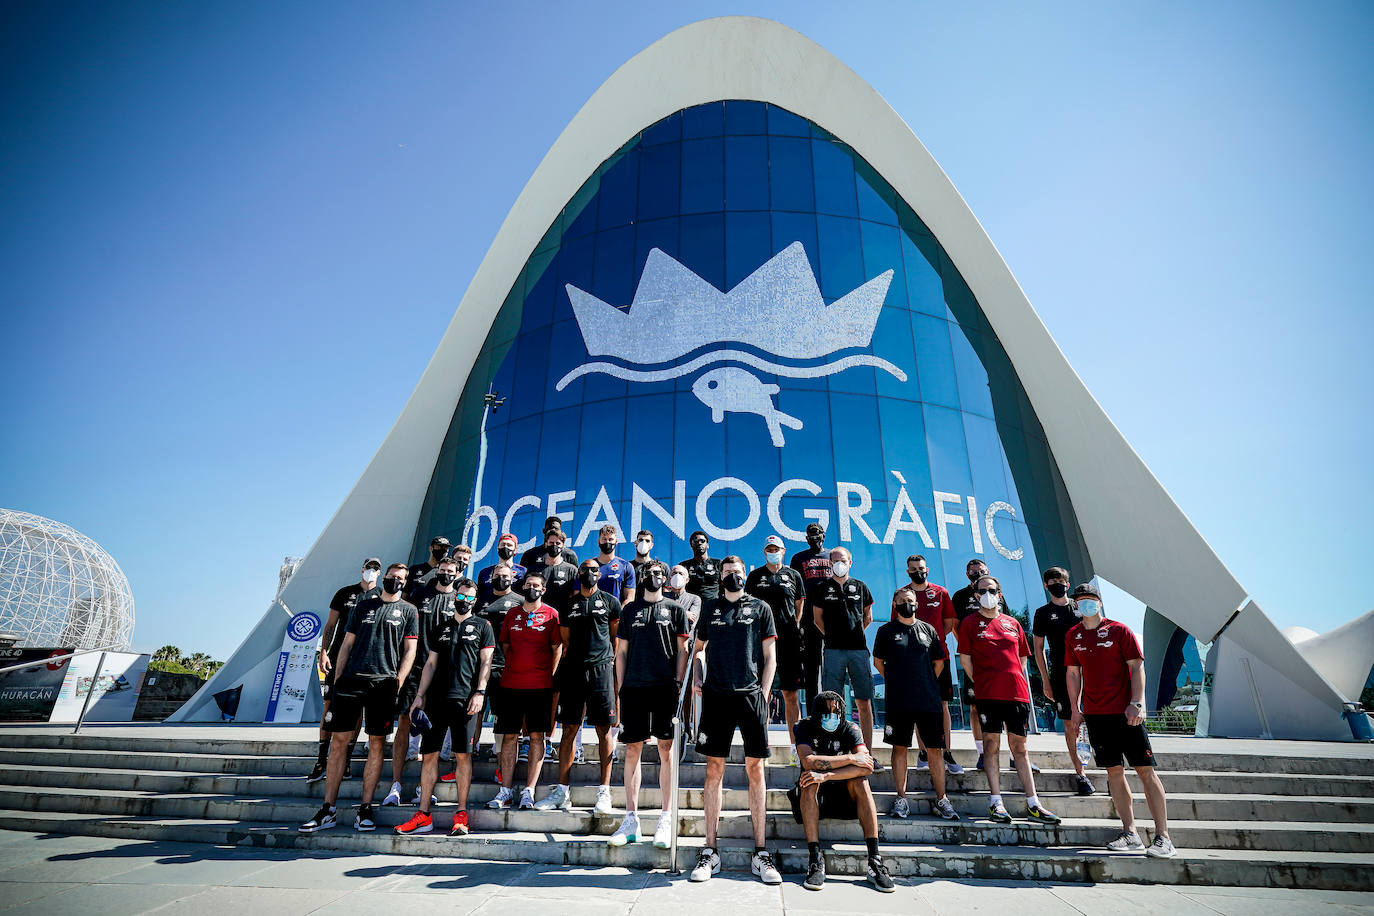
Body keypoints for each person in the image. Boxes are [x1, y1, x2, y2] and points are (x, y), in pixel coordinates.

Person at [299, 564, 418, 833]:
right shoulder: (363, 606)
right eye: (391, 577)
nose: (395, 581)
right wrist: (338, 679)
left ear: (405, 582)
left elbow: (410, 651)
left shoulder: (409, 611)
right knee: (339, 742)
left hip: (383, 684)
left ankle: (365, 809)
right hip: (351, 681)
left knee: (377, 744)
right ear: (384, 577)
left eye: (401, 579)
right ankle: (328, 808)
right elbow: (346, 645)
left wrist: (398, 682)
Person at [689, 556, 780, 886]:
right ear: (720, 576)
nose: (733, 577)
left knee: (755, 768)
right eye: (728, 573)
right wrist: (698, 675)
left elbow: (770, 656)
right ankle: (710, 851)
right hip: (716, 696)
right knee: (714, 768)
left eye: (738, 573)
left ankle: (760, 853)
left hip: (750, 695)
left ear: (745, 575)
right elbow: (698, 650)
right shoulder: (710, 608)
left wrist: (765, 694)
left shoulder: (760, 608)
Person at [1066, 584, 1175, 858]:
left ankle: (1164, 837)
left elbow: (1137, 666)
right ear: (1076, 605)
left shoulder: (1119, 630)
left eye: (1091, 599)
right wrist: (1075, 708)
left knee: (1145, 771)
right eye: (1081, 601)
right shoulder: (1073, 635)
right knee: (1114, 772)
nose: (1086, 604)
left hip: (1127, 715)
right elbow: (1073, 673)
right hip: (1095, 715)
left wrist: (1137, 703)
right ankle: (1130, 833)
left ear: (1099, 603)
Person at [956, 575, 1059, 825]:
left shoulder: (1013, 623)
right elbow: (966, 660)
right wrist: (982, 682)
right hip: (988, 694)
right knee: (991, 747)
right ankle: (996, 801)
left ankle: (1034, 803)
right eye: (982, 591)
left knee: (1020, 749)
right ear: (976, 595)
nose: (987, 594)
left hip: (1017, 694)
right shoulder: (969, 624)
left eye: (992, 590)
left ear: (999, 594)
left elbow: (1022, 659)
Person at [397, 577, 493, 836]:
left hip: (466, 701)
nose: (464, 601)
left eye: (469, 597)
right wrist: (419, 696)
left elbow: (486, 663)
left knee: (463, 756)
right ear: (455, 598)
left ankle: (461, 815)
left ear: (475, 600)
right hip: (436, 701)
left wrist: (480, 692)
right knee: (429, 756)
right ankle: (423, 814)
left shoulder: (483, 626)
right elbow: (430, 664)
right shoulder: (441, 627)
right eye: (461, 596)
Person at [607, 560, 689, 847]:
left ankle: (666, 819)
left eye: (658, 573)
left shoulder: (676, 610)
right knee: (632, 749)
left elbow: (683, 651)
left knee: (666, 750)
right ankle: (631, 820)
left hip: (665, 689)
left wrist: (678, 683)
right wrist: (619, 690)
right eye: (649, 573)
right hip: (634, 688)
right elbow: (621, 654)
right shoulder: (629, 611)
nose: (653, 576)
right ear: (641, 578)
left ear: (665, 578)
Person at [537, 559, 621, 814]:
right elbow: (565, 639)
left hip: (602, 670)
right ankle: (562, 791)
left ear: (600, 574)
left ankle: (603, 792)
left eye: (595, 570)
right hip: (574, 671)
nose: (590, 573)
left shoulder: (610, 602)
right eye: (586, 570)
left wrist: (608, 664)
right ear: (579, 573)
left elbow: (614, 635)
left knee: (604, 730)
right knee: (569, 729)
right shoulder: (569, 605)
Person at [793, 691, 895, 893]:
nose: (833, 716)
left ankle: (875, 861)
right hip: (816, 796)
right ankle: (815, 858)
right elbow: (809, 761)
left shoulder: (851, 728)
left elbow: (866, 766)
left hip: (844, 793)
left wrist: (828, 775)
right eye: (827, 712)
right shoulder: (803, 727)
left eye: (836, 711)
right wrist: (850, 759)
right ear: (816, 713)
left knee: (861, 781)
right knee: (809, 779)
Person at [873, 588, 959, 821]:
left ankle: (942, 799)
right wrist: (896, 680)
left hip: (928, 701)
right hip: (898, 701)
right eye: (901, 601)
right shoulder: (885, 630)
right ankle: (901, 798)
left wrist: (925, 682)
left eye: (909, 600)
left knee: (934, 750)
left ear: (916, 604)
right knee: (899, 748)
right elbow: (878, 662)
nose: (906, 604)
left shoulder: (928, 629)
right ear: (894, 603)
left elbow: (938, 663)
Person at [384, 555, 461, 807]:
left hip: (443, 673)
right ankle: (395, 785)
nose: (446, 573)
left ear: (458, 573)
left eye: (451, 570)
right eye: (442, 569)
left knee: (433, 729)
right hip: (416, 668)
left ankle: (422, 787)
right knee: (405, 721)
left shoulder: (459, 600)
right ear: (436, 570)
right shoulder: (419, 594)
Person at [488, 572, 562, 810]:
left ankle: (529, 791)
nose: (532, 588)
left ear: (543, 589)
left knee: (537, 737)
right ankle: (506, 791)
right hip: (511, 684)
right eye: (529, 584)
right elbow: (506, 645)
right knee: (509, 736)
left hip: (540, 686)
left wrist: (550, 676)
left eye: (537, 585)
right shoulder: (512, 614)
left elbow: (556, 648)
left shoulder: (551, 615)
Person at [307, 557, 379, 783]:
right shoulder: (345, 593)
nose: (372, 571)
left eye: (376, 568)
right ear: (362, 569)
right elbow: (331, 625)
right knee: (331, 705)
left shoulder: (382, 596)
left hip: (364, 661)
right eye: (369, 567)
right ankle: (321, 759)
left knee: (357, 711)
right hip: (338, 657)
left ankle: (345, 759)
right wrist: (324, 652)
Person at [807, 547, 877, 761]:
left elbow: (868, 617)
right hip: (832, 651)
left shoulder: (861, 586)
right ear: (829, 563)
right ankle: (835, 752)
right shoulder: (822, 588)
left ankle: (867, 753)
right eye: (835, 560)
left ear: (850, 562)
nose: (839, 563)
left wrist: (853, 635)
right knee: (832, 704)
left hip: (858, 651)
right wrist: (833, 637)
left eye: (843, 560)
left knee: (863, 703)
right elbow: (817, 619)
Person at [898, 555, 963, 775]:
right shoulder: (902, 595)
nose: (919, 571)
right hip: (912, 661)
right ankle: (924, 751)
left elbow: (949, 623)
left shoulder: (941, 592)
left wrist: (931, 641)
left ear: (928, 569)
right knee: (918, 707)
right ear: (908, 571)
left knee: (941, 704)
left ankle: (946, 751)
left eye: (922, 568)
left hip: (939, 656)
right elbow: (896, 623)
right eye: (914, 569)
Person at [1032, 566, 1094, 795]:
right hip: (1060, 675)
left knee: (1096, 722)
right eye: (1052, 581)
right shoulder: (1042, 613)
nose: (1057, 583)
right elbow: (1038, 649)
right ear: (1045, 585)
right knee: (1070, 725)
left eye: (1061, 580)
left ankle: (1111, 770)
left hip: (1089, 673)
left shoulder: (1081, 610)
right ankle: (1081, 774)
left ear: (1068, 584)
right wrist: (1045, 681)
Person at [745, 535, 806, 754]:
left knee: (791, 695)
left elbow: (799, 605)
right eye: (769, 548)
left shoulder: (794, 575)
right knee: (764, 693)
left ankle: (796, 748)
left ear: (783, 550)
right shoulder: (754, 576)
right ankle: (762, 745)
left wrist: (794, 626)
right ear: (764, 552)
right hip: (761, 642)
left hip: (788, 642)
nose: (773, 551)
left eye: (776, 548)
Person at [471, 563, 523, 762]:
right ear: (491, 577)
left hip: (506, 668)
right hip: (478, 667)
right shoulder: (480, 601)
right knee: (473, 713)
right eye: (497, 575)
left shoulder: (520, 602)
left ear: (512, 578)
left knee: (503, 719)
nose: (501, 578)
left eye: (505, 575)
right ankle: (466, 757)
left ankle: (502, 766)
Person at [789, 522, 831, 707]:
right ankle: (814, 710)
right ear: (806, 538)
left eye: (818, 534)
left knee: (831, 665)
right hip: (808, 617)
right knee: (812, 665)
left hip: (831, 615)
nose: (815, 538)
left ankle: (833, 709)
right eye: (811, 535)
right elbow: (793, 590)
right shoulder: (799, 558)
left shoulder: (833, 555)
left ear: (823, 535)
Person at [525, 527, 578, 609]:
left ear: (563, 545)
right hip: (539, 615)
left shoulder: (571, 570)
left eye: (558, 543)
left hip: (563, 617)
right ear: (546, 544)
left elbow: (575, 595)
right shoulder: (533, 569)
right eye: (551, 543)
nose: (554, 546)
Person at [478, 534, 528, 604]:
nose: (505, 547)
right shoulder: (485, 572)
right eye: (503, 544)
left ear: (515, 550)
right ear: (497, 548)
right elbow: (480, 595)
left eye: (509, 545)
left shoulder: (523, 571)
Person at [593, 525, 636, 604]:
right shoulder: (589, 566)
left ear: (616, 541)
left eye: (611, 539)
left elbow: (629, 598)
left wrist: (619, 614)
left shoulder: (626, 566)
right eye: (604, 539)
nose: (607, 542)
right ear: (598, 541)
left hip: (616, 615)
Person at [682, 530, 720, 604]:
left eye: (702, 541)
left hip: (714, 606)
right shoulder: (684, 566)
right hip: (692, 607)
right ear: (691, 546)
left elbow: (725, 587)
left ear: (707, 545)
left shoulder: (718, 564)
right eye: (695, 541)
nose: (699, 543)